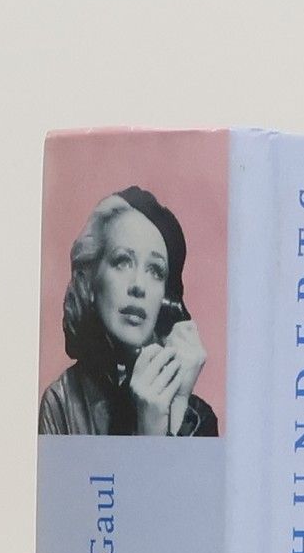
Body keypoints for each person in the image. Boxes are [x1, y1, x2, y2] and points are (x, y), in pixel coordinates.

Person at [37, 186, 218, 437]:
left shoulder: (197, 416)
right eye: (122, 261)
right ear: (91, 282)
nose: (139, 286)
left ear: (166, 299)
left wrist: (177, 406)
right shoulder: (61, 402)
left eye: (155, 270)